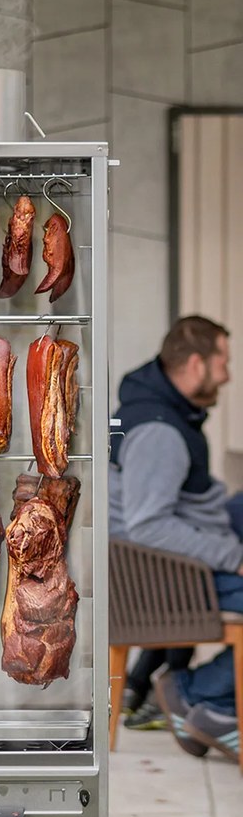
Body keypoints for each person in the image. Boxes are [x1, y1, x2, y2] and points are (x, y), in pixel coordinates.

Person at [109, 315, 242, 761]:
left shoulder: (153, 407)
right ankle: (198, 694)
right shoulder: (158, 431)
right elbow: (150, 525)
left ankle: (153, 686)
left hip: (165, 555)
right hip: (164, 575)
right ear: (198, 364)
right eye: (223, 359)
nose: (227, 372)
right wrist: (234, 556)